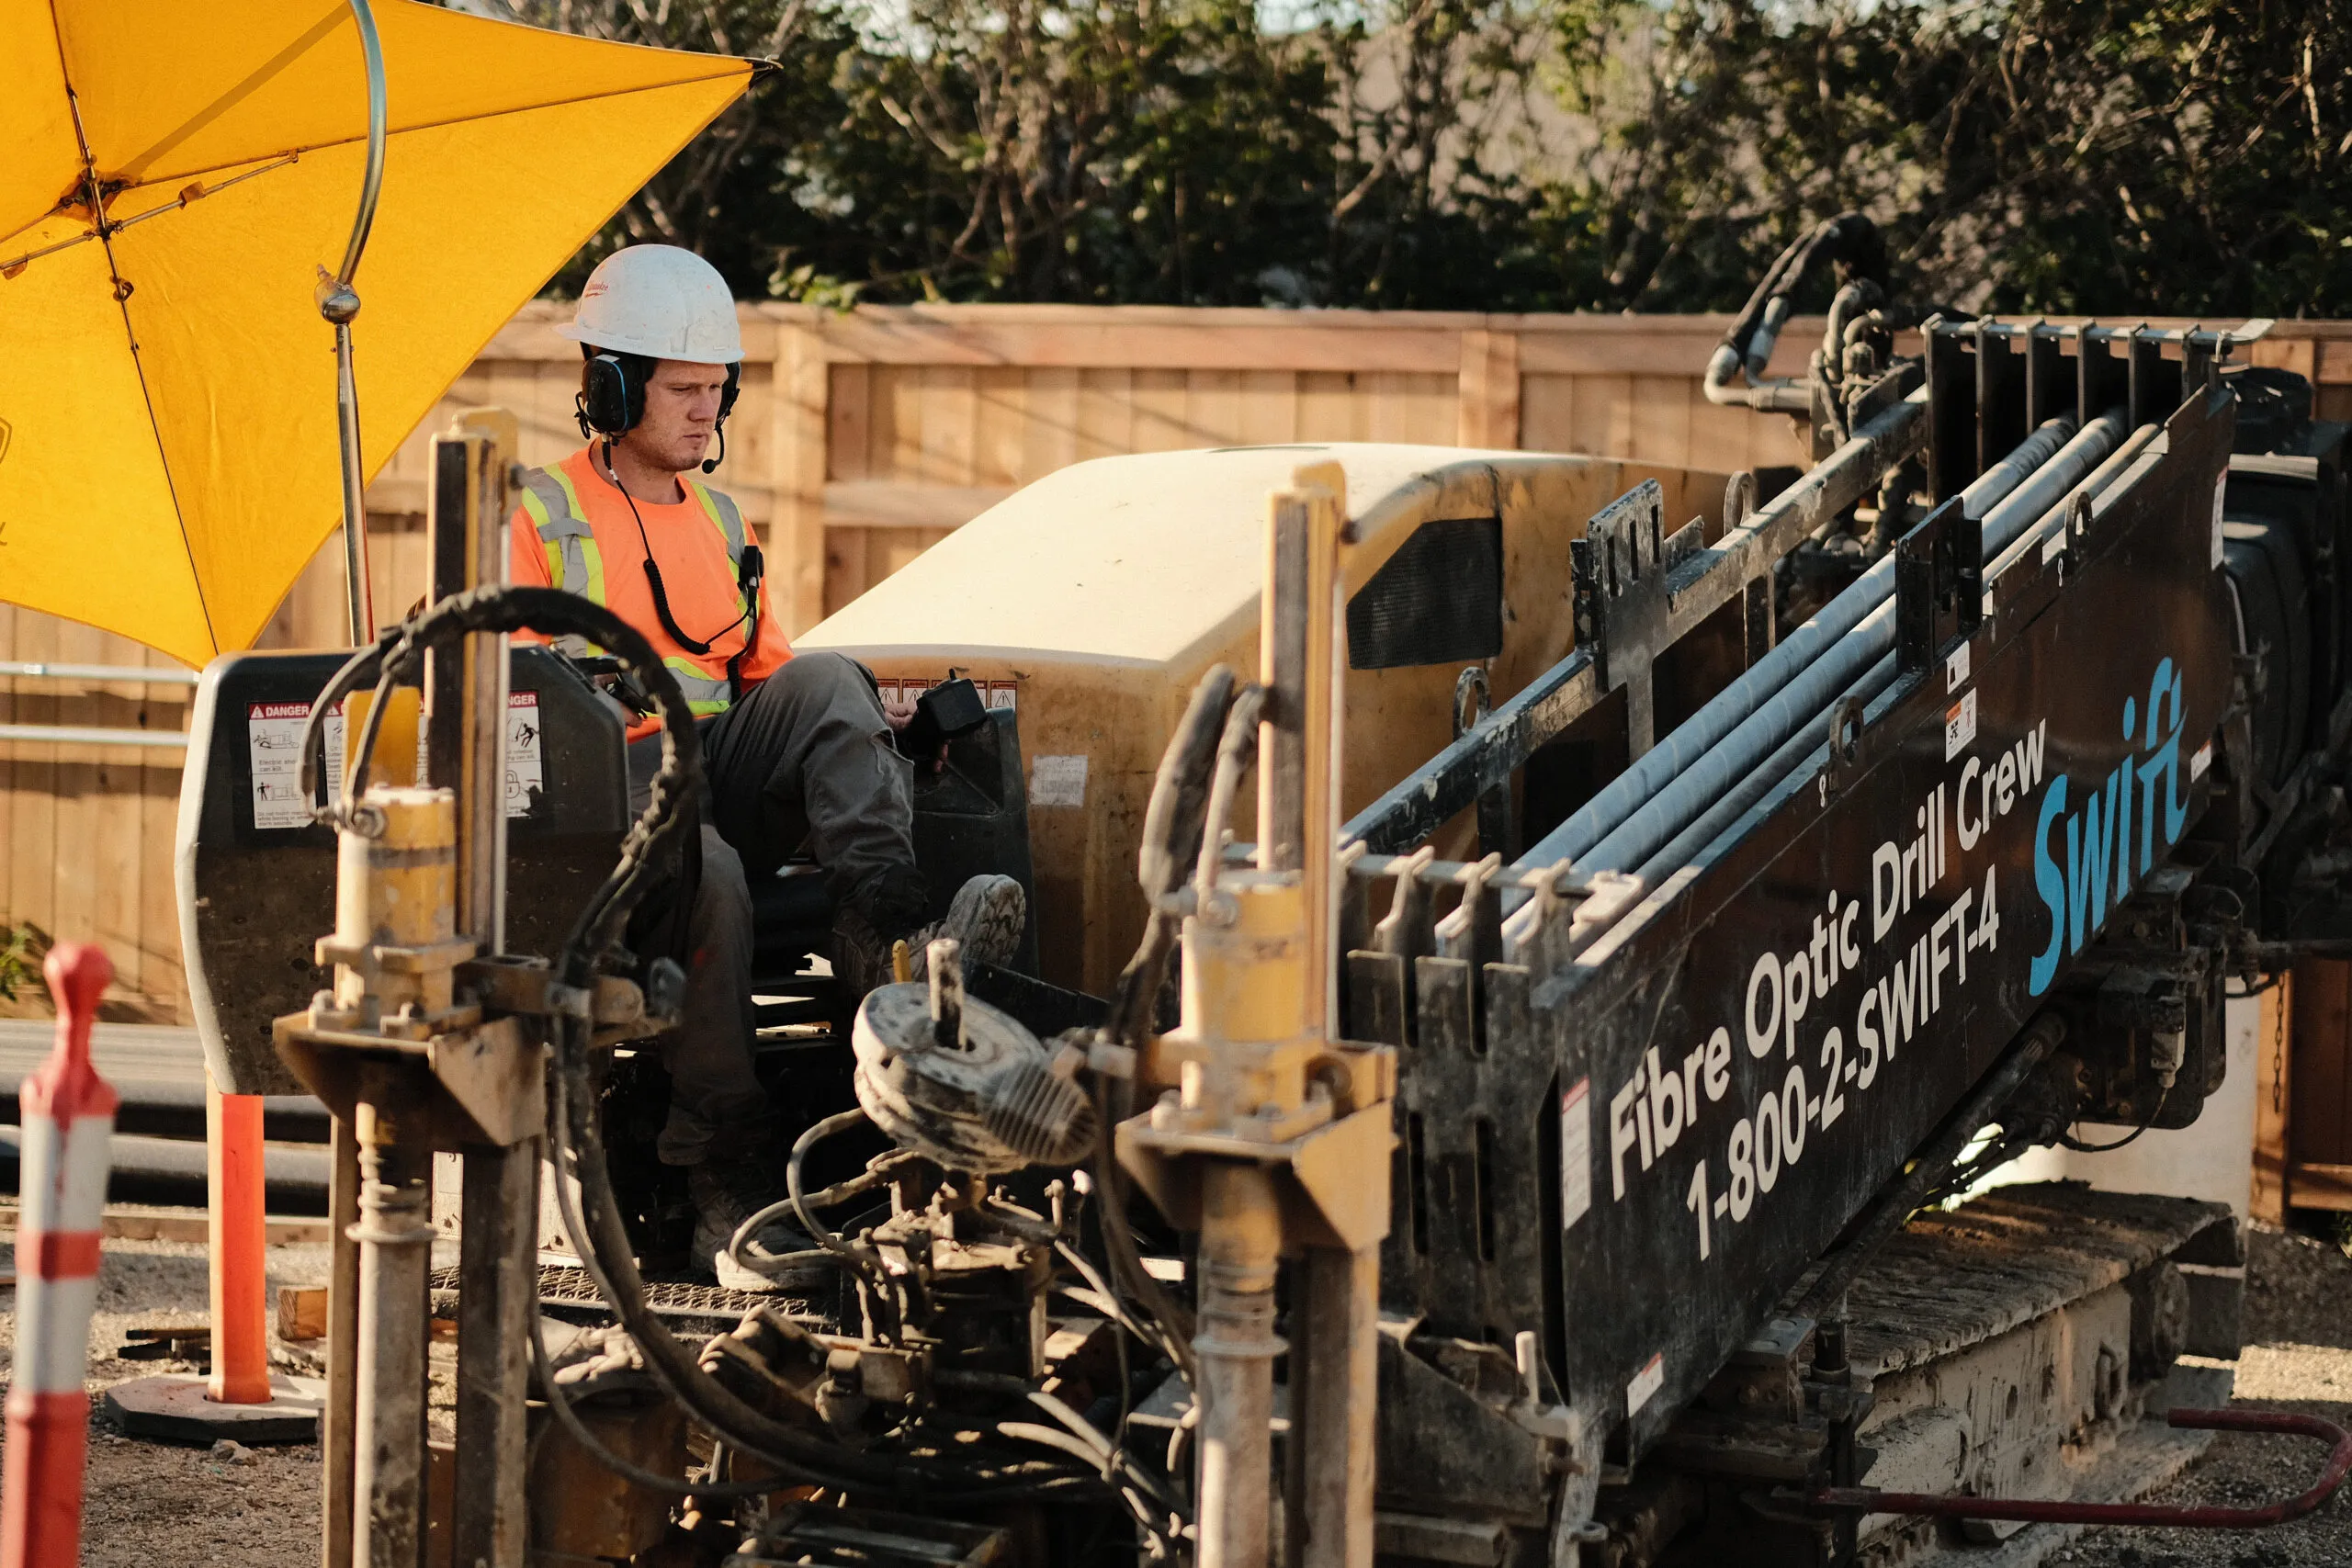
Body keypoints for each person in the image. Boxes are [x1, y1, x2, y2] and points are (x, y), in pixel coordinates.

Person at [508, 244, 1024, 1290]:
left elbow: (772, 684)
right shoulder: (537, 516)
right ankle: (723, 1185)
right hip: (609, 825)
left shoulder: (723, 522)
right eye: (686, 390)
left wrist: (890, 733)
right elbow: (515, 705)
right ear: (610, 385)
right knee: (718, 878)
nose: (709, 412)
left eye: (717, 391)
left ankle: (886, 934)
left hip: (711, 785)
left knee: (831, 678)